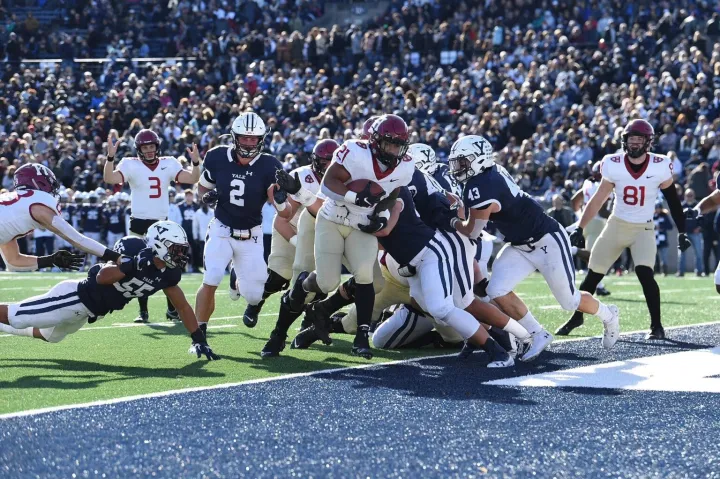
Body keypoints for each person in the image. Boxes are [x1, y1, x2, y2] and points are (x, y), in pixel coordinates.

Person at [447, 135, 620, 350]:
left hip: (547, 240)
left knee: (570, 301)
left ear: (479, 159)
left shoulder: (481, 185)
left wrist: (452, 219)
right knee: (496, 289)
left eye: (463, 161)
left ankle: (608, 314)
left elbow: (472, 231)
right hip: (519, 245)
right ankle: (537, 333)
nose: (458, 167)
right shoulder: (487, 176)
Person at [284, 114, 415, 360]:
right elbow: (327, 183)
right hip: (333, 218)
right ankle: (304, 294)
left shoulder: (406, 166)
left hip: (361, 225)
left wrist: (383, 214)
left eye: (399, 144)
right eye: (390, 143)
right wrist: (355, 197)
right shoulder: (355, 151)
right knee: (326, 282)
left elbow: (392, 194)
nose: (395, 150)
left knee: (369, 280)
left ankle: (360, 336)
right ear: (375, 141)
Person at [0, 222, 218, 360]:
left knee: (50, 336)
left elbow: (182, 306)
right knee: (16, 317)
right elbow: (101, 277)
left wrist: (199, 339)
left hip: (89, 311)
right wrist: (131, 265)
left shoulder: (169, 274)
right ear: (159, 245)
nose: (180, 254)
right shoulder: (133, 249)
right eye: (175, 249)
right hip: (75, 298)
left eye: (181, 249)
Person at [560, 119, 689, 340]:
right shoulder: (613, 162)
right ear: (624, 141)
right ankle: (577, 317)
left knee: (645, 273)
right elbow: (598, 199)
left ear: (648, 142)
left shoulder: (660, 164)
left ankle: (656, 326)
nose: (634, 143)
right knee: (593, 275)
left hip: (644, 228)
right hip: (616, 224)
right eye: (631, 138)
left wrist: (682, 230)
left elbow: (673, 201)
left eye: (639, 138)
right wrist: (580, 227)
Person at [195, 112, 283, 333]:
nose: (249, 142)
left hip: (251, 234)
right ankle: (199, 333)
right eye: (244, 137)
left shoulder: (269, 165)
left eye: (254, 138)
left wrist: (283, 202)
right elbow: (203, 187)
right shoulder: (216, 157)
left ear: (261, 139)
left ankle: (236, 276)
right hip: (221, 228)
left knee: (254, 297)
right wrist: (206, 197)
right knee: (212, 278)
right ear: (234, 137)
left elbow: (286, 211)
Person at [103, 129, 202, 323]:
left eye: (151, 147)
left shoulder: (169, 163)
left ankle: (172, 309)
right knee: (139, 267)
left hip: (162, 224)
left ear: (157, 147)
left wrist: (196, 163)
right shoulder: (130, 164)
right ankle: (143, 312)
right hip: (139, 221)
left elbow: (192, 179)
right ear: (139, 149)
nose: (149, 151)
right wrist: (110, 157)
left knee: (169, 264)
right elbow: (109, 178)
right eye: (145, 147)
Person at [247, 139, 338, 337]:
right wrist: (297, 242)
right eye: (325, 162)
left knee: (320, 280)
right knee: (280, 276)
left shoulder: (342, 179)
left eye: (333, 161)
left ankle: (309, 319)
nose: (329, 166)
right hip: (290, 227)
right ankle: (256, 302)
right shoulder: (301, 176)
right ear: (315, 161)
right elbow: (282, 220)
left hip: (320, 233)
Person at [0, 163, 121, 272]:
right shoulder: (37, 207)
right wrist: (116, 257)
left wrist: (50, 260)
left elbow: (13, 262)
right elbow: (77, 239)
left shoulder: (12, 209)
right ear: (39, 183)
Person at [678, 188, 703, 276]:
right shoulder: (681, 206)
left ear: (694, 196)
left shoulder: (698, 206)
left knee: (699, 253)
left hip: (696, 232)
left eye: (691, 195)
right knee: (682, 254)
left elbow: (702, 219)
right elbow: (677, 219)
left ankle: (699, 271)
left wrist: (699, 228)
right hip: (684, 233)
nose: (689, 197)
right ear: (684, 196)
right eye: (688, 195)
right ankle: (681, 272)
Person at [654, 201, 673, 276]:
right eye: (656, 208)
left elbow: (670, 226)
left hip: (663, 239)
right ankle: (654, 271)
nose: (658, 209)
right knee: (653, 257)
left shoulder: (664, 216)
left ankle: (664, 271)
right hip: (654, 239)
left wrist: (661, 227)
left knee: (663, 257)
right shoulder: (652, 216)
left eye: (659, 208)